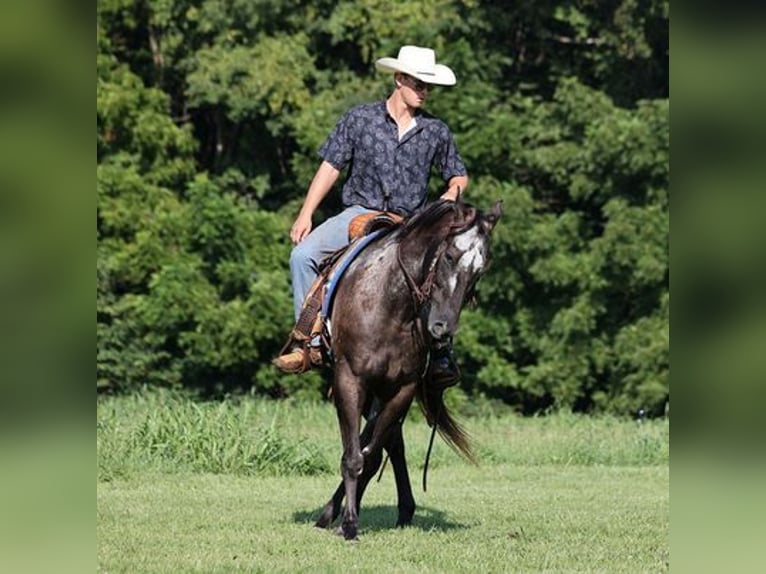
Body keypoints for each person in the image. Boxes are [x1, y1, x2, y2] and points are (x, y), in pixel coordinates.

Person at [273, 45, 468, 388]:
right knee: (302, 256)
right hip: (359, 213)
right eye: (419, 84)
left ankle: (440, 353)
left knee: (444, 273)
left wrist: (453, 191)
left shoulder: (437, 131)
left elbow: (458, 174)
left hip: (410, 222)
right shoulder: (359, 119)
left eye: (428, 86)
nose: (425, 92)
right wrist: (306, 213)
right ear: (399, 79)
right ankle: (310, 343)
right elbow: (330, 167)